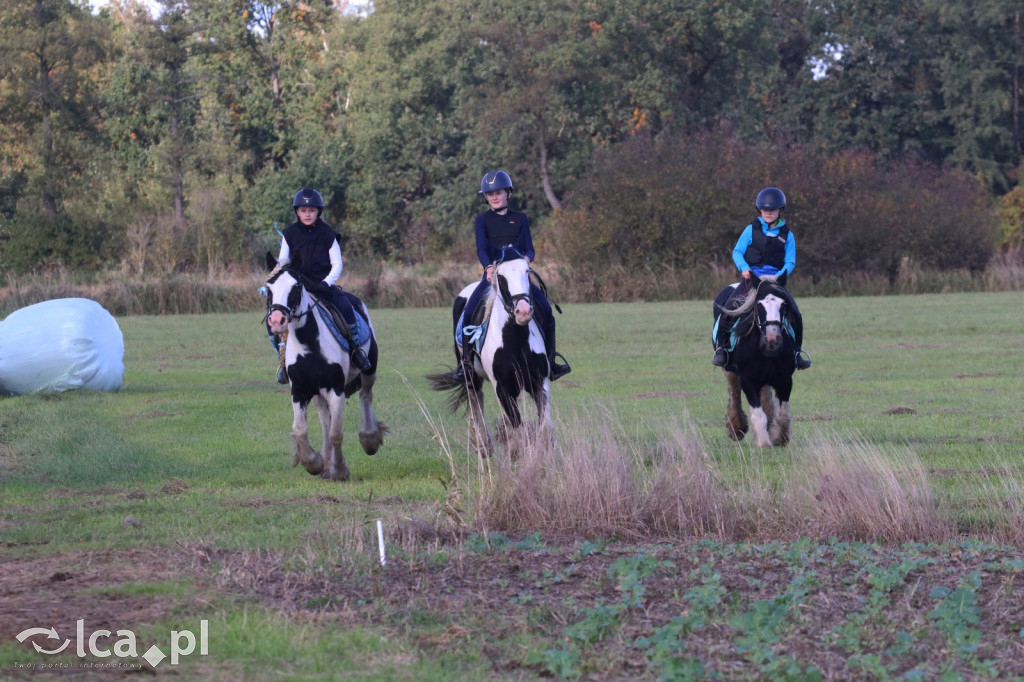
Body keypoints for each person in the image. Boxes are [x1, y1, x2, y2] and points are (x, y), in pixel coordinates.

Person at [451, 170, 571, 382]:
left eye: (498, 192)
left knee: (546, 310)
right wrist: (488, 267)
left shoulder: (520, 218)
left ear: (509, 193)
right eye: (489, 194)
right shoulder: (482, 220)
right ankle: (465, 366)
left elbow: (530, 248)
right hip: (494, 276)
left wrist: (527, 259)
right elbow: (481, 250)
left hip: (518, 277)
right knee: (468, 312)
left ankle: (551, 362)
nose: (493, 197)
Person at [270, 188, 372, 382]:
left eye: (311, 210)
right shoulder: (289, 234)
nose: (307, 214)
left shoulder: (328, 234)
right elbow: (283, 260)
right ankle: (283, 362)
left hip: (323, 286)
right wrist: (280, 276)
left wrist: (326, 283)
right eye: (303, 210)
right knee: (275, 317)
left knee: (346, 307)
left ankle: (357, 351)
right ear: (297, 212)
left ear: (318, 211)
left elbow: (337, 264)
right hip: (297, 289)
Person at [711, 186, 812, 370]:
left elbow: (790, 261)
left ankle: (797, 353)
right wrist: (744, 269)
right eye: (765, 210)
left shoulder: (787, 235)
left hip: (775, 282)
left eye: (772, 210)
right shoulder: (750, 230)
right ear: (760, 210)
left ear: (780, 210)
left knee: (795, 314)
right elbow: (737, 252)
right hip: (752, 279)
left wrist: (780, 275)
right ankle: (722, 348)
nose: (768, 213)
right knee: (730, 308)